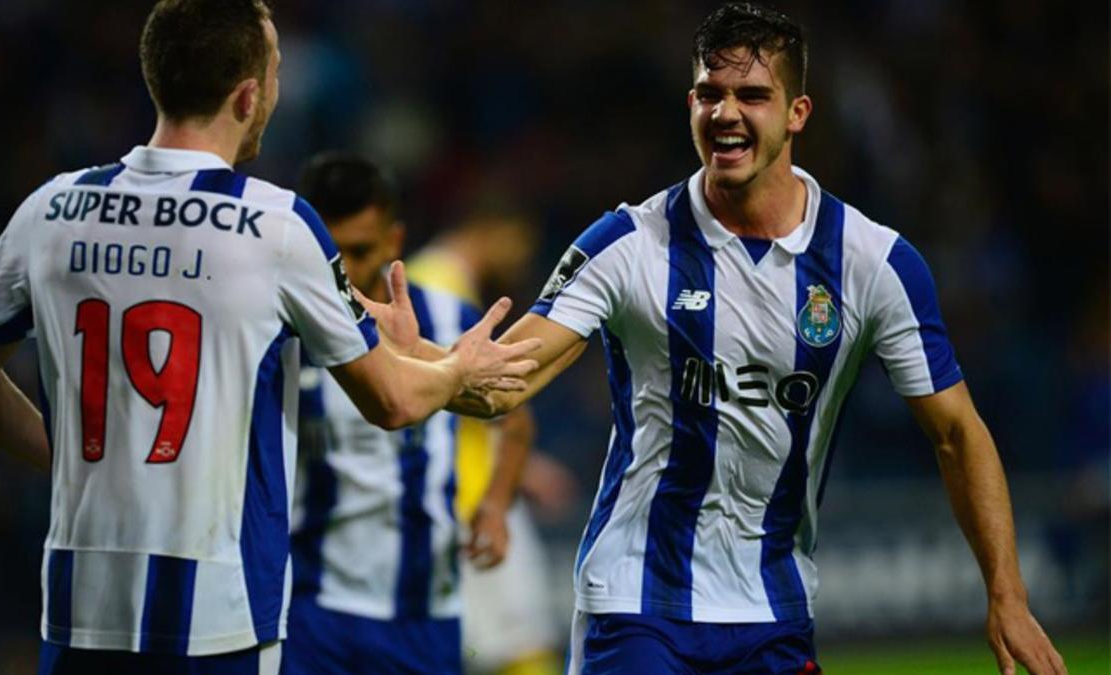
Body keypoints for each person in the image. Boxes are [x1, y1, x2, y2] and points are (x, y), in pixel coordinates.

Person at [368, 3, 1068, 674]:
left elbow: (956, 431)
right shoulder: (628, 244)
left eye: (752, 95)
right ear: (691, 104)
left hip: (774, 608)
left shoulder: (874, 263)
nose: (726, 112)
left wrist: (1006, 593)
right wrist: (406, 357)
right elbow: (507, 379)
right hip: (638, 603)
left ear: (798, 114)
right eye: (710, 92)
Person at [0, 2, 538, 673]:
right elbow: (393, 401)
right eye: (276, 70)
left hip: (80, 605)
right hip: (218, 616)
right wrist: (461, 366)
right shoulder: (275, 225)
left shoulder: (52, 208)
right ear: (249, 95)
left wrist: (70, 461)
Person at [281, 152, 482, 674]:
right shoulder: (281, 332)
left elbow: (512, 413)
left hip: (423, 610)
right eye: (331, 253)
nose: (343, 272)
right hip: (312, 604)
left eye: (360, 250)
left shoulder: (447, 318)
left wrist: (498, 505)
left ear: (393, 241)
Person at [407, 209, 568, 675]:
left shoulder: (435, 278)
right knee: (523, 643)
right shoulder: (439, 286)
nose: (523, 261)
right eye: (519, 242)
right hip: (472, 490)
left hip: (459, 486)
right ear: (488, 228)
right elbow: (464, 389)